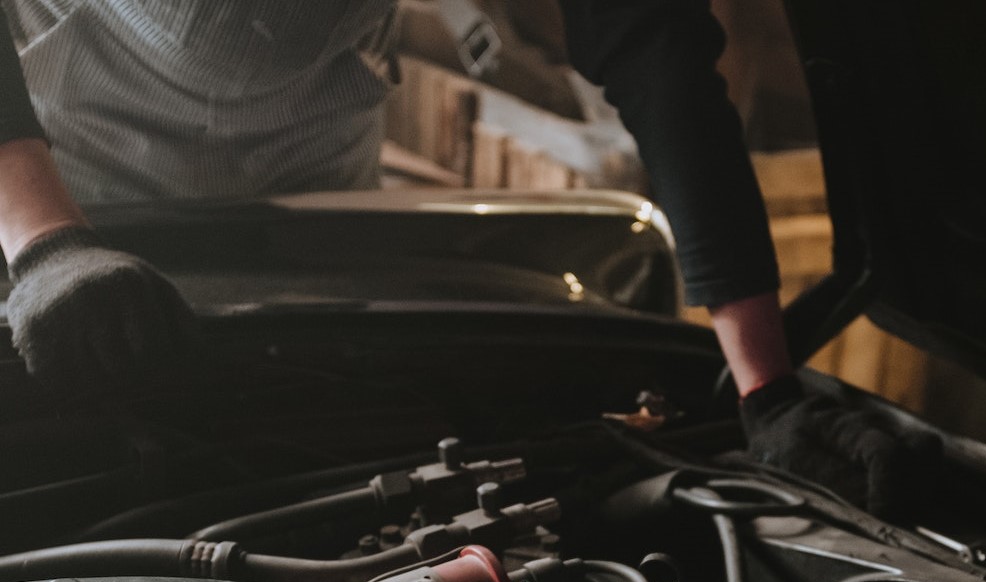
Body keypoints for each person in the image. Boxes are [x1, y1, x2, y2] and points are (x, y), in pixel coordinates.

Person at [0, 0, 923, 516]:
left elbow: (653, 48)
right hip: (49, 145)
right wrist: (47, 245)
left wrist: (763, 387)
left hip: (308, 159)